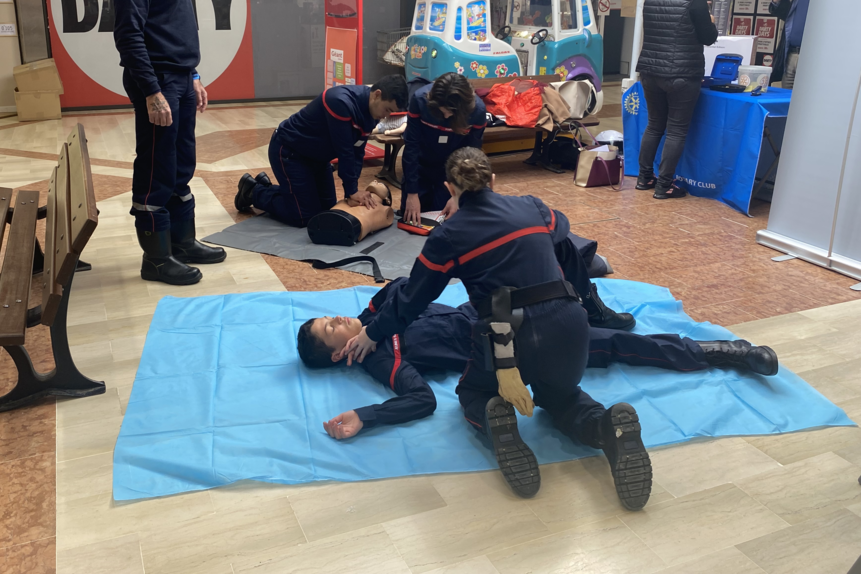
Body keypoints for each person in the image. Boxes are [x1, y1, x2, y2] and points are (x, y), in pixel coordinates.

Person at [340, 148, 650, 508]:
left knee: (472, 394)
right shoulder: (533, 207)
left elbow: (412, 300)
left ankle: (496, 422)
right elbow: (562, 233)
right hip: (570, 324)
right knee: (561, 395)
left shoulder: (447, 237)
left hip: (507, 338)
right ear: (493, 180)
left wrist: (372, 332)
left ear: (448, 188)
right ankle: (605, 428)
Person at [297, 277, 778, 439]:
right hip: (499, 344)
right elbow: (420, 399)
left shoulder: (377, 311)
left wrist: (371, 322)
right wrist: (368, 415)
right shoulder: (384, 362)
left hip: (502, 305)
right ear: (340, 354)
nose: (337, 318)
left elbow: (408, 286)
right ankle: (727, 353)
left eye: (331, 317)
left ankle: (718, 349)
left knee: (582, 312)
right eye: (331, 329)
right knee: (604, 347)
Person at [109, 0, 226, 286]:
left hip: (178, 78)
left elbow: (170, 25)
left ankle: (182, 241)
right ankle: (156, 260)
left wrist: (191, 75)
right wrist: (152, 92)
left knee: (180, 164)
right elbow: (129, 36)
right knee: (157, 168)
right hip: (157, 82)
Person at [235, 75, 408, 227]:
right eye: (387, 110)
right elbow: (345, 150)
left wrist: (352, 191)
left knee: (327, 210)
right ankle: (254, 191)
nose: (386, 117)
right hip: (289, 153)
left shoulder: (372, 113)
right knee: (304, 216)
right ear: (377, 94)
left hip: (318, 159)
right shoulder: (340, 102)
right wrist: (352, 191)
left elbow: (357, 153)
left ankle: (272, 188)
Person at [635, 0, 719, 200]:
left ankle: (644, 178)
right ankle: (664, 186)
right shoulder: (695, 0)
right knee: (676, 130)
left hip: (650, 70)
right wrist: (711, 22)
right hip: (683, 74)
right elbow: (708, 37)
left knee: (654, 126)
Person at [401, 72, 486, 225]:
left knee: (444, 222)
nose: (446, 116)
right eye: (441, 111)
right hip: (420, 166)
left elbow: (472, 157)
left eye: (450, 112)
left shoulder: (477, 111)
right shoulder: (420, 100)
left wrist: (457, 195)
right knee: (411, 218)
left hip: (451, 174)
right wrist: (411, 192)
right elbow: (411, 147)